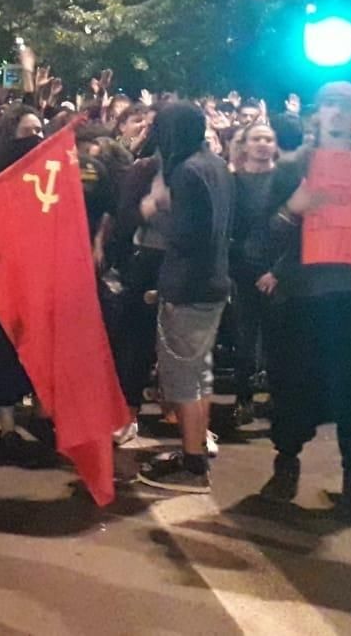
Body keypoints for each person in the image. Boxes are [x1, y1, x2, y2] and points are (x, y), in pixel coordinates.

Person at [259, 81, 351, 519]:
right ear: (317, 113)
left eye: (346, 106)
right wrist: (295, 207)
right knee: (293, 391)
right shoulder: (293, 166)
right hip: (303, 299)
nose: (336, 113)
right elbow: (262, 238)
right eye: (329, 105)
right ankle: (286, 463)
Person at [137, 104, 233, 493]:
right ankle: (196, 447)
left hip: (188, 287)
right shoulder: (215, 165)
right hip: (212, 285)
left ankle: (192, 465)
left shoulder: (187, 171)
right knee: (200, 373)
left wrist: (155, 210)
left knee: (182, 379)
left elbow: (188, 234)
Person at [227, 123, 280, 426]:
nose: (262, 143)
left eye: (268, 139)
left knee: (278, 340)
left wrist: (277, 270)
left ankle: (277, 398)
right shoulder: (233, 182)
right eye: (256, 138)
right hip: (243, 271)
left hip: (278, 270)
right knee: (244, 339)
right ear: (245, 145)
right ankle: (243, 399)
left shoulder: (283, 180)